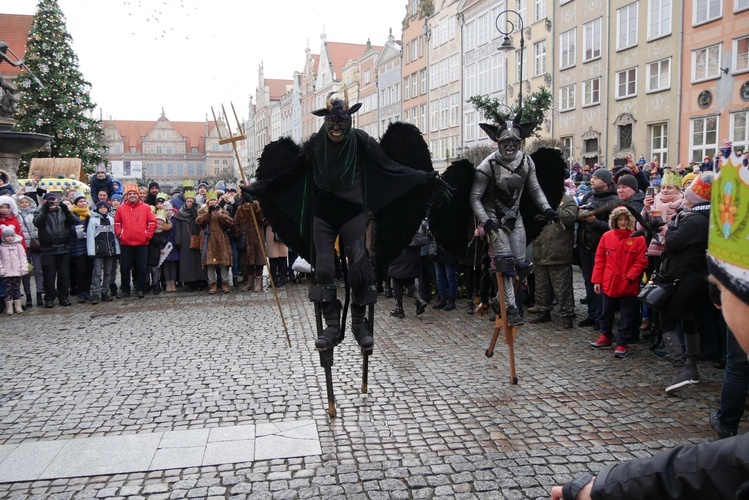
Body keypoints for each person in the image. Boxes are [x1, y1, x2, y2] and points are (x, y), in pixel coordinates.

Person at [550, 156, 749, 500]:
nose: (719, 300)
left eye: (724, 288)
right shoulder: (692, 217)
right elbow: (717, 465)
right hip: (671, 278)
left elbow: (666, 244)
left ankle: (685, 365)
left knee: (686, 329)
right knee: (684, 322)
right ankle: (688, 362)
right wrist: (610, 487)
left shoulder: (695, 221)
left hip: (678, 280)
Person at [243, 93, 442, 352]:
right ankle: (332, 323)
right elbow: (290, 174)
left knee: (360, 265)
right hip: (324, 215)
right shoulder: (315, 145)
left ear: (349, 121)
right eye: (332, 122)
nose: (336, 127)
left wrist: (423, 177)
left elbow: (389, 166)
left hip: (352, 212)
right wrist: (259, 188)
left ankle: (359, 324)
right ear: (324, 121)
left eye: (341, 122)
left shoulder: (361, 141)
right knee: (324, 268)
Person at [469, 111, 559, 326]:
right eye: (506, 142)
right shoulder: (487, 166)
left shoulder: (527, 162)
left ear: (520, 142)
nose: (510, 146)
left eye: (514, 142)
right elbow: (475, 197)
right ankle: (510, 308)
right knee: (505, 264)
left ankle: (497, 300)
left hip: (515, 219)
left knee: (520, 266)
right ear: (498, 142)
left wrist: (547, 209)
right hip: (493, 219)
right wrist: (486, 221)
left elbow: (535, 189)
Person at [657, 172, 713, 393]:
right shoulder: (712, 217)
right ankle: (692, 368)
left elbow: (670, 244)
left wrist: (670, 226)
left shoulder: (693, 219)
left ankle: (681, 370)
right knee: (689, 320)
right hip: (699, 277)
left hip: (682, 277)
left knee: (667, 321)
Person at [588, 207, 648, 357]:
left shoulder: (638, 238)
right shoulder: (607, 236)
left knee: (627, 315)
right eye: (619, 219)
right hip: (609, 281)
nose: (622, 222)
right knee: (606, 311)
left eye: (625, 220)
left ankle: (622, 342)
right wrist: (597, 280)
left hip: (628, 283)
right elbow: (600, 260)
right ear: (614, 221)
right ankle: (605, 336)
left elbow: (641, 261)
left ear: (630, 221)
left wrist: (629, 277)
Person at [576, 168, 622, 329]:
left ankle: (601, 318)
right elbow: (578, 216)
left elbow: (615, 229)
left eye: (596, 178)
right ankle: (592, 314)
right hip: (585, 245)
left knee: (601, 283)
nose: (592, 180)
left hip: (601, 248)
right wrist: (580, 213)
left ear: (605, 181)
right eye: (592, 177)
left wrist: (594, 221)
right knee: (589, 281)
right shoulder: (588, 195)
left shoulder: (615, 200)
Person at [528, 192, 579, 328]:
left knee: (562, 287)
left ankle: (567, 315)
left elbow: (569, 220)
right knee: (542, 286)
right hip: (540, 250)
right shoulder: (537, 199)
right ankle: (543, 311)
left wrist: (553, 205)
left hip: (559, 252)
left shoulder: (568, 200)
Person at [34, 193, 77, 307]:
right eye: (50, 201)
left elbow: (72, 222)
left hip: (64, 247)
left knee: (64, 274)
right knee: (49, 275)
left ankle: (63, 296)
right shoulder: (40, 211)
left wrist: (66, 210)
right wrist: (45, 210)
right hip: (48, 248)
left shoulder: (62, 211)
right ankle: (49, 298)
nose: (52, 204)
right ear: (45, 202)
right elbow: (37, 223)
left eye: (54, 201)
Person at [114, 183, 156, 298]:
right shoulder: (121, 209)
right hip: (126, 243)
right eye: (130, 194)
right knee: (125, 267)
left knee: (141, 267)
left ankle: (141, 288)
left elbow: (152, 222)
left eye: (134, 194)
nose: (132, 195)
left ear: (138, 195)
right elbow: (117, 223)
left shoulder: (146, 207)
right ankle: (125, 289)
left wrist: (147, 235)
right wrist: (121, 234)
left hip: (142, 243)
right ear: (126, 196)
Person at [195, 191, 233, 294]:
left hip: (221, 239)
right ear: (207, 202)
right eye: (210, 200)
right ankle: (212, 283)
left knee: (223, 262)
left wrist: (219, 214)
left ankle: (225, 282)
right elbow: (200, 222)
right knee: (210, 263)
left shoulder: (222, 211)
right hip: (209, 240)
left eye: (213, 200)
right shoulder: (202, 211)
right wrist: (208, 213)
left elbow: (229, 223)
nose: (212, 202)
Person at [388, 223, 428, 318]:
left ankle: (417, 300)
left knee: (397, 275)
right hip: (413, 253)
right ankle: (399, 308)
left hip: (402, 252)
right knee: (400, 278)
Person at [86, 200, 119, 303]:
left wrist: (116, 249)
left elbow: (115, 236)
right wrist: (91, 251)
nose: (103, 209)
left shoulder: (111, 220)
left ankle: (105, 291)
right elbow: (90, 237)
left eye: (105, 208)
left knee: (108, 272)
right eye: (101, 208)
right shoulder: (93, 220)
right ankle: (96, 293)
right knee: (97, 273)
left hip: (110, 251)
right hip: (98, 251)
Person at [15, 195, 43, 307]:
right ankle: (28, 296)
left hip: (35, 245)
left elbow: (42, 205)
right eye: (22, 202)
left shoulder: (35, 213)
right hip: (23, 246)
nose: (24, 204)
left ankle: (39, 294)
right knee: (26, 271)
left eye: (26, 202)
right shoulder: (17, 214)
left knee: (38, 270)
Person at [234, 198, 266, 292]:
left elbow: (264, 221)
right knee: (249, 262)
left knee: (259, 261)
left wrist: (258, 210)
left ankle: (258, 283)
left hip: (258, 239)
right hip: (247, 239)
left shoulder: (258, 208)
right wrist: (239, 233)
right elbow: (235, 222)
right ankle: (250, 282)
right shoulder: (240, 209)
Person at [69, 195, 92, 303]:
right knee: (81, 270)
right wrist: (77, 232)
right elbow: (71, 229)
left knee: (89, 270)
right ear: (76, 204)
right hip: (78, 245)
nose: (83, 203)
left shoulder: (89, 214)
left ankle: (87, 291)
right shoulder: (72, 215)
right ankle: (80, 292)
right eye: (80, 202)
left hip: (89, 245)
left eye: (84, 201)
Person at [0, 225, 28, 314]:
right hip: (6, 272)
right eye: (7, 236)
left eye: (11, 236)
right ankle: (9, 306)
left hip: (17, 271)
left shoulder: (19, 246)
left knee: (17, 289)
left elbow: (23, 257)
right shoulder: (1, 247)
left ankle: (18, 306)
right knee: (8, 290)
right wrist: (1, 269)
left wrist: (24, 267)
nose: (10, 238)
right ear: (4, 237)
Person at [147, 211, 171, 295]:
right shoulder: (151, 231)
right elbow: (156, 240)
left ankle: (156, 284)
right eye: (157, 220)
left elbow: (164, 241)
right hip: (151, 252)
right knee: (151, 269)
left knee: (157, 270)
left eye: (161, 220)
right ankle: (150, 284)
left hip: (162, 253)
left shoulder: (165, 231)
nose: (159, 222)